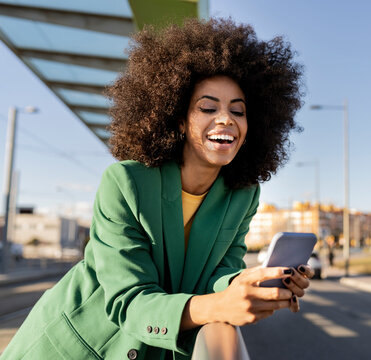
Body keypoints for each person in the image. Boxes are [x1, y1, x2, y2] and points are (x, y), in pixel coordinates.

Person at [1, 18, 310, 359]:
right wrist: (219, 305)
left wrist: (250, 284)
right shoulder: (125, 182)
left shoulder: (243, 194)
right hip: (74, 349)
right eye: (208, 107)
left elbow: (221, 272)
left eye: (238, 111)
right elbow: (128, 301)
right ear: (179, 119)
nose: (226, 119)